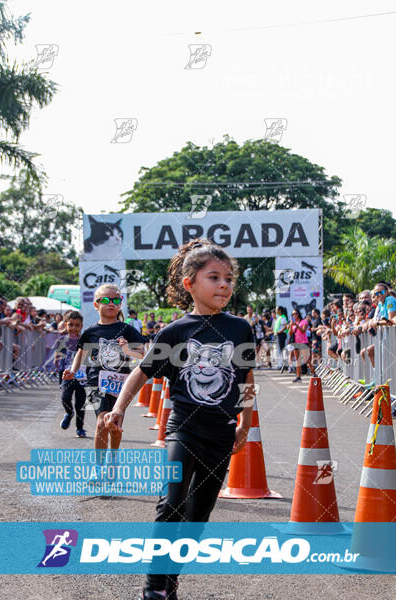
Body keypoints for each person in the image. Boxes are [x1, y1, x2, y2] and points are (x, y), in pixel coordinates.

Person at [104, 238, 256, 600]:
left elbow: (248, 381)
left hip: (220, 435)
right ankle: (153, 587)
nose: (225, 285)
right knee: (170, 503)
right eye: (215, 277)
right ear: (190, 283)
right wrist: (120, 407)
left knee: (198, 519)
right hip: (183, 431)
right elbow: (140, 373)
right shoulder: (175, 332)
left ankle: (171, 578)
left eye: (230, 278)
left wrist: (246, 423)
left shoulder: (241, 329)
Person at [63, 284, 144, 453]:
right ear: (96, 304)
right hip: (96, 382)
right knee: (101, 421)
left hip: (121, 383)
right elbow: (80, 353)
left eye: (116, 300)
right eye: (106, 300)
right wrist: (73, 370)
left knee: (114, 423)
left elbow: (143, 354)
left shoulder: (127, 330)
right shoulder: (91, 331)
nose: (111, 303)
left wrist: (128, 350)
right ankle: (98, 469)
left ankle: (112, 459)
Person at [55, 311, 87, 438]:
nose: (74, 328)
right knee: (65, 397)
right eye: (71, 325)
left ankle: (80, 428)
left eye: (77, 325)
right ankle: (69, 413)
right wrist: (57, 368)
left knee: (80, 403)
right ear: (65, 325)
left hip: (82, 376)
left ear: (81, 326)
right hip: (66, 375)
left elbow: (89, 357)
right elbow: (58, 357)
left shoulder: (84, 340)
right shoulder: (62, 340)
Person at [288, 308, 314, 382]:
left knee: (307, 359)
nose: (294, 315)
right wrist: (290, 325)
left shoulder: (304, 321)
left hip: (303, 342)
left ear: (298, 314)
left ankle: (314, 374)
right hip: (296, 343)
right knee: (297, 360)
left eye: (295, 313)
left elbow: (303, 331)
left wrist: (296, 325)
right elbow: (290, 333)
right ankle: (298, 376)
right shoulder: (292, 323)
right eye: (293, 314)